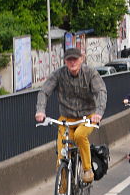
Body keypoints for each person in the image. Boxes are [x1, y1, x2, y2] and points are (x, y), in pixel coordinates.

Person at [35, 48, 106, 183]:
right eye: (69, 60)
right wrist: (40, 110)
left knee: (79, 135)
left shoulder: (90, 73)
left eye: (75, 59)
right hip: (66, 118)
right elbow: (44, 91)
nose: (72, 62)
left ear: (81, 59)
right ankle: (62, 194)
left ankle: (87, 169)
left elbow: (101, 92)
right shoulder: (58, 74)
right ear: (65, 61)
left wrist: (98, 113)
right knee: (62, 151)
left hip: (88, 117)